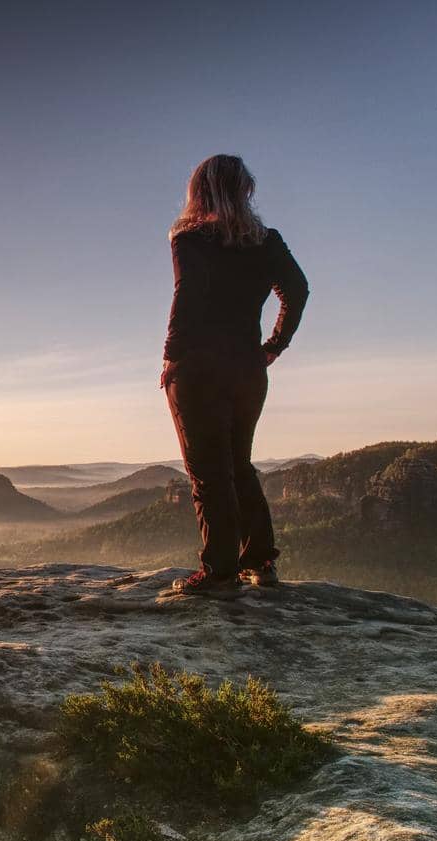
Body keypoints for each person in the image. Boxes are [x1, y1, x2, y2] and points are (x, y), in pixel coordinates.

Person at [160, 153, 309, 597]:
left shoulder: (189, 237)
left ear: (199, 191)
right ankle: (260, 561)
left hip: (200, 369)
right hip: (248, 368)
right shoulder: (267, 241)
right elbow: (297, 291)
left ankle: (220, 573)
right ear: (245, 191)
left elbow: (187, 296)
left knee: (208, 472)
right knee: (238, 464)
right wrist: (274, 347)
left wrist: (172, 357)